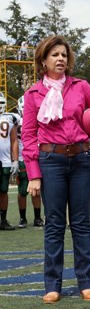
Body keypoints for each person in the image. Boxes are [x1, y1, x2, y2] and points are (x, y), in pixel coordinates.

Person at [22, 35, 90, 304]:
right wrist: (34, 174)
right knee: (53, 224)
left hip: (82, 160)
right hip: (50, 161)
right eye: (54, 55)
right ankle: (52, 285)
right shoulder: (32, 94)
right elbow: (29, 136)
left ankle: (85, 283)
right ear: (43, 60)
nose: (60, 59)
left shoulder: (81, 87)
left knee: (81, 223)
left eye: (64, 54)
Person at [15, 96, 45, 227]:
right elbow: (13, 142)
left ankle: (37, 217)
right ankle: (22, 218)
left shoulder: (40, 118)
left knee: (36, 190)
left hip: (36, 158)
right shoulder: (15, 121)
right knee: (22, 191)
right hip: (23, 159)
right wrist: (14, 160)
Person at [0, 92, 19, 230]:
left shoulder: (10, 118)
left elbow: (14, 141)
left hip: (5, 161)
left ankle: (3, 219)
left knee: (3, 191)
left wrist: (15, 160)